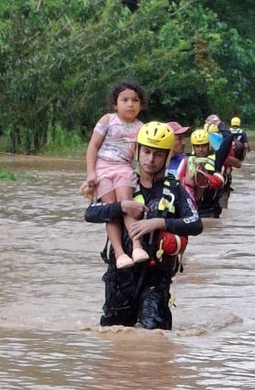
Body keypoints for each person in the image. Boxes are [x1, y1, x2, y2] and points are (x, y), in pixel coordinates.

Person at [84, 121, 203, 330]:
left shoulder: (175, 189)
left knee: (154, 333)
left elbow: (195, 224)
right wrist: (120, 206)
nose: (150, 159)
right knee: (114, 335)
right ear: (137, 151)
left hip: (156, 277)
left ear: (167, 156)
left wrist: (158, 222)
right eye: (146, 152)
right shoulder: (121, 182)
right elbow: (90, 213)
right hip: (120, 276)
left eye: (158, 154)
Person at [81, 80, 148, 270]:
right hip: (103, 169)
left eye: (135, 100)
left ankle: (136, 246)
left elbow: (141, 156)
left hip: (125, 168)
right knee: (111, 211)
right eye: (125, 100)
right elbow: (93, 146)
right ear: (115, 103)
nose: (130, 104)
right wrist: (91, 173)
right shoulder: (107, 120)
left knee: (127, 204)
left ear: (141, 105)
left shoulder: (142, 128)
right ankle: (119, 253)